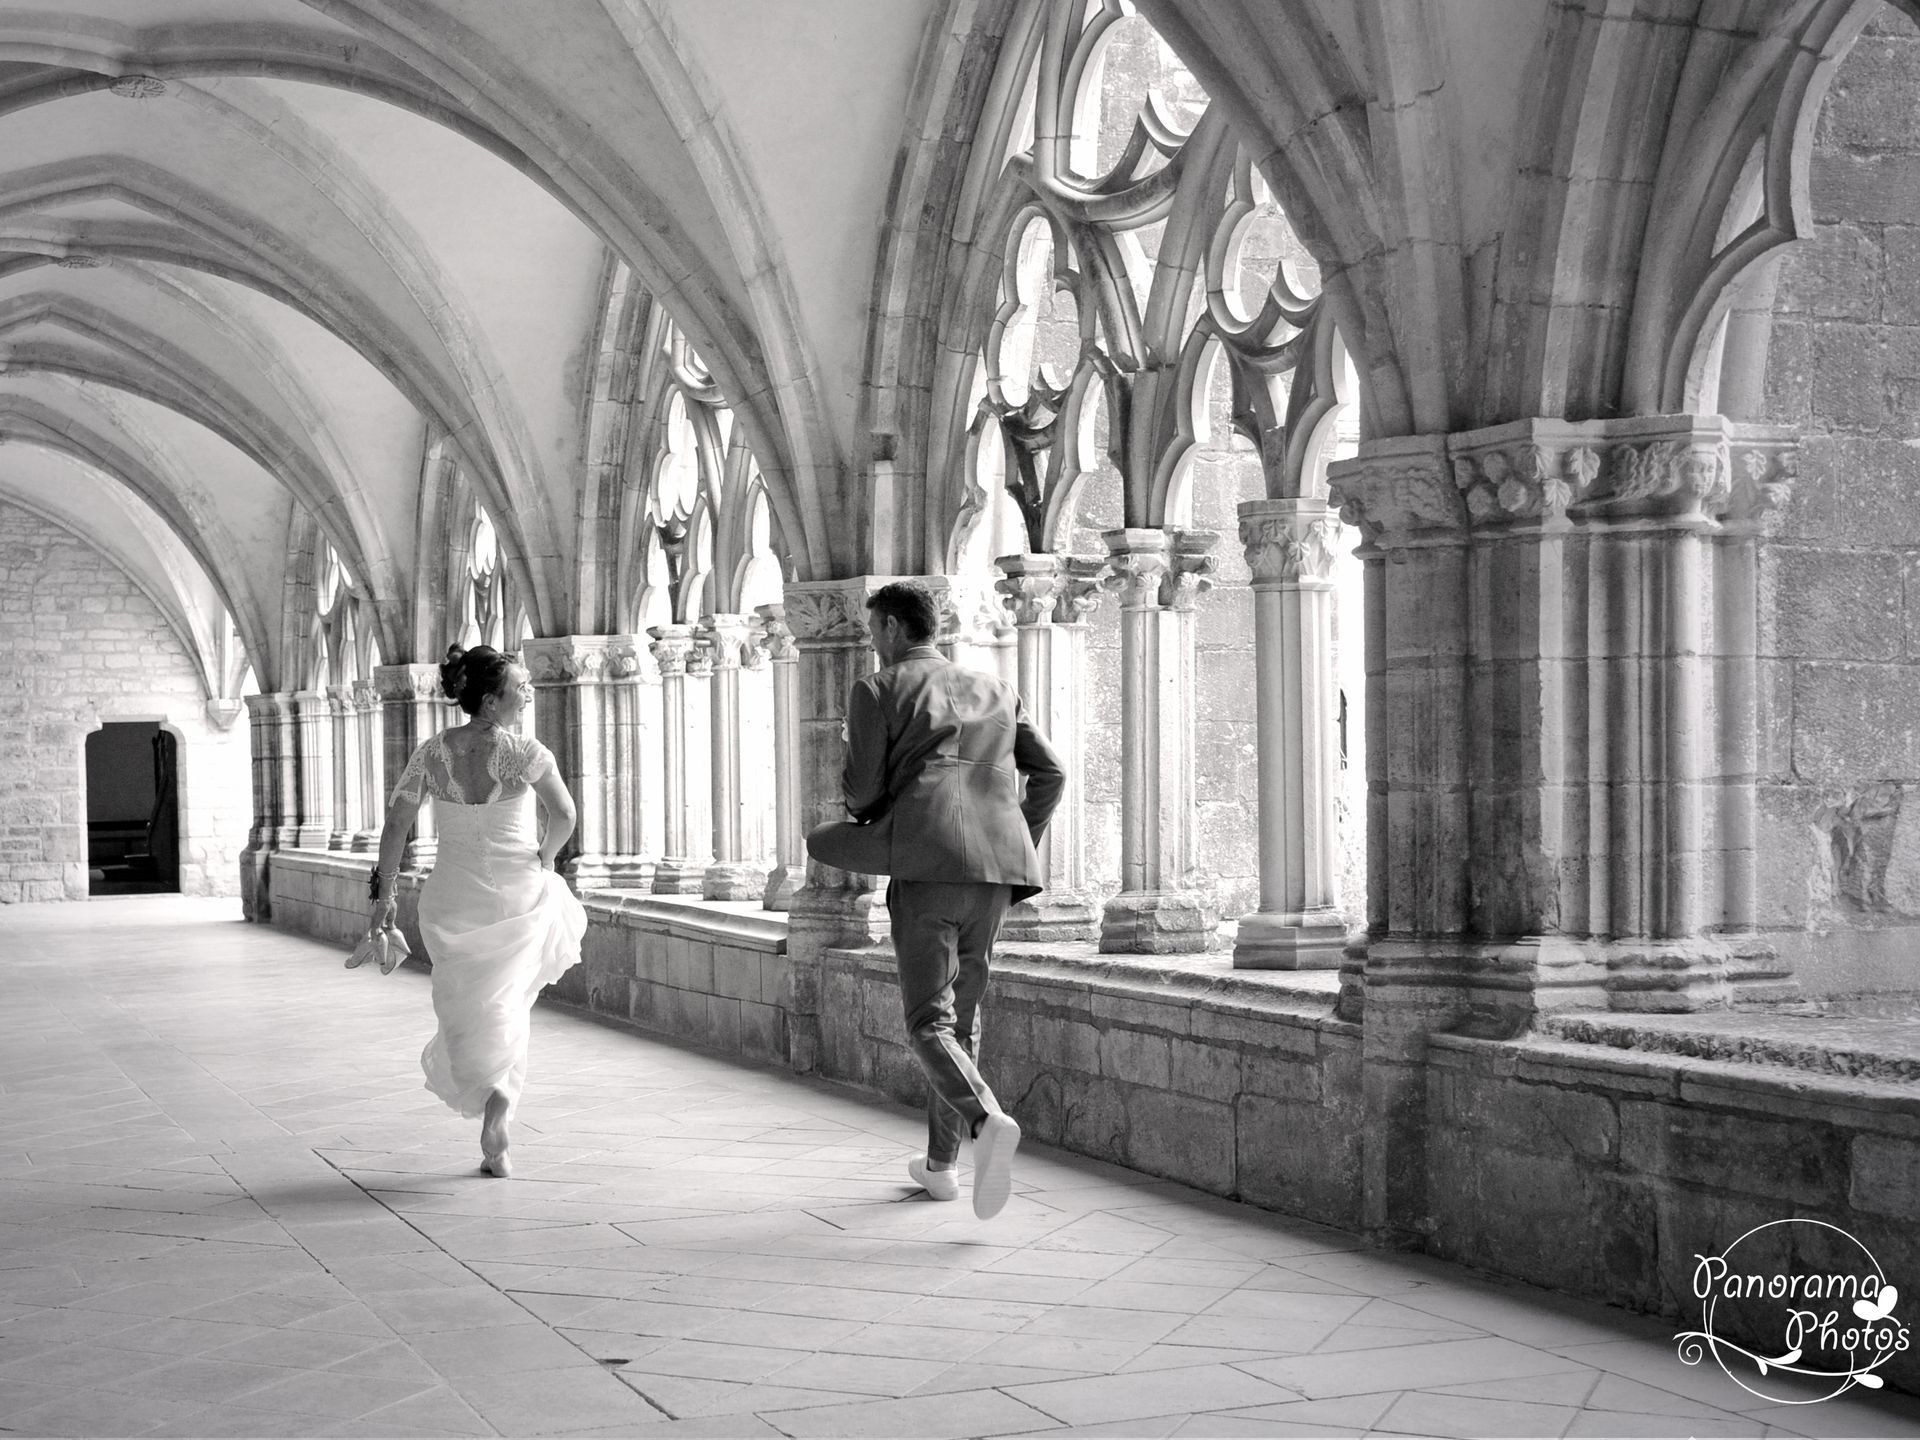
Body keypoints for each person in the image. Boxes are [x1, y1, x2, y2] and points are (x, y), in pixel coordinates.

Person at [806, 582, 1064, 1219]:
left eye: (873, 633)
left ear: (893, 628)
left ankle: (984, 1123)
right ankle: (942, 1167)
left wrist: (874, 815)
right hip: (998, 873)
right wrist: (1013, 838)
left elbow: (863, 796)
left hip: (926, 862)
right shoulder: (999, 690)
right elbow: (1051, 772)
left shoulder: (878, 688)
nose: (872, 645)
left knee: (928, 1021)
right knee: (960, 1023)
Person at [370, 644, 586, 1178]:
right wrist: (545, 858)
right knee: (509, 1003)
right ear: (491, 701)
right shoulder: (527, 752)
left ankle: (488, 1101)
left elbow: (396, 824)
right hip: (516, 889)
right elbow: (564, 813)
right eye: (520, 685)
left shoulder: (431, 753)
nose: (529, 690)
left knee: (467, 1004)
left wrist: (385, 894)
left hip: (451, 896)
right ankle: (498, 1115)